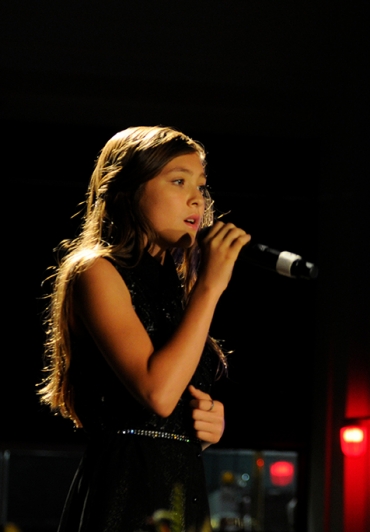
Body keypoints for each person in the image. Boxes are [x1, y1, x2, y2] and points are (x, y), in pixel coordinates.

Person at [40, 126, 251, 531]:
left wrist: (204, 427)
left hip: (180, 486)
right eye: (178, 181)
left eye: (201, 186)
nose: (196, 198)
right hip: (124, 491)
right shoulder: (96, 272)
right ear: (128, 190)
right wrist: (210, 288)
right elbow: (158, 392)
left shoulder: (180, 290)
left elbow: (172, 406)